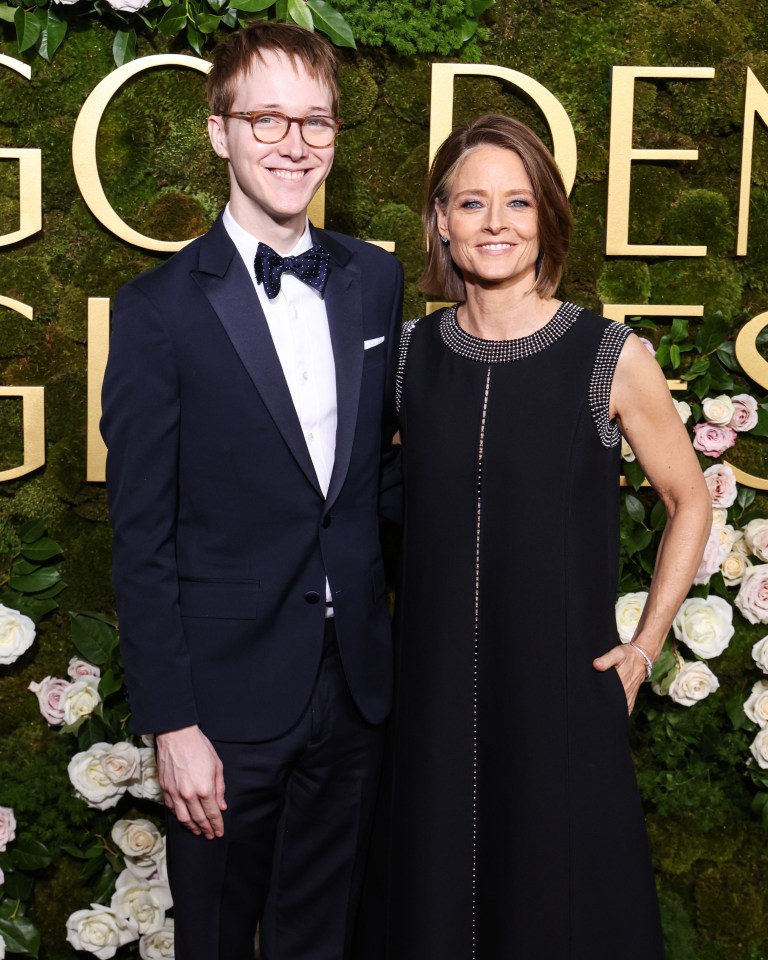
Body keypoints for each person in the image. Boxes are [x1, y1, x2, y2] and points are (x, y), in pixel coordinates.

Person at [358, 115, 711, 959]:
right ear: (440, 220)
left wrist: (644, 647)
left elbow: (688, 500)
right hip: (430, 695)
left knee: (566, 913)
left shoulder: (610, 354)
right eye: (472, 203)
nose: (496, 223)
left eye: (518, 202)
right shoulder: (406, 355)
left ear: (546, 217)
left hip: (559, 693)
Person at [100, 21, 403, 960]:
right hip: (223, 708)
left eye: (316, 121)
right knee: (220, 942)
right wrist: (172, 722)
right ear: (218, 131)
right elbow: (140, 536)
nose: (294, 143)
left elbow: (378, 481)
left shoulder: (378, 280)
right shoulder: (156, 312)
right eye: (267, 118)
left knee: (328, 940)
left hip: (353, 690)